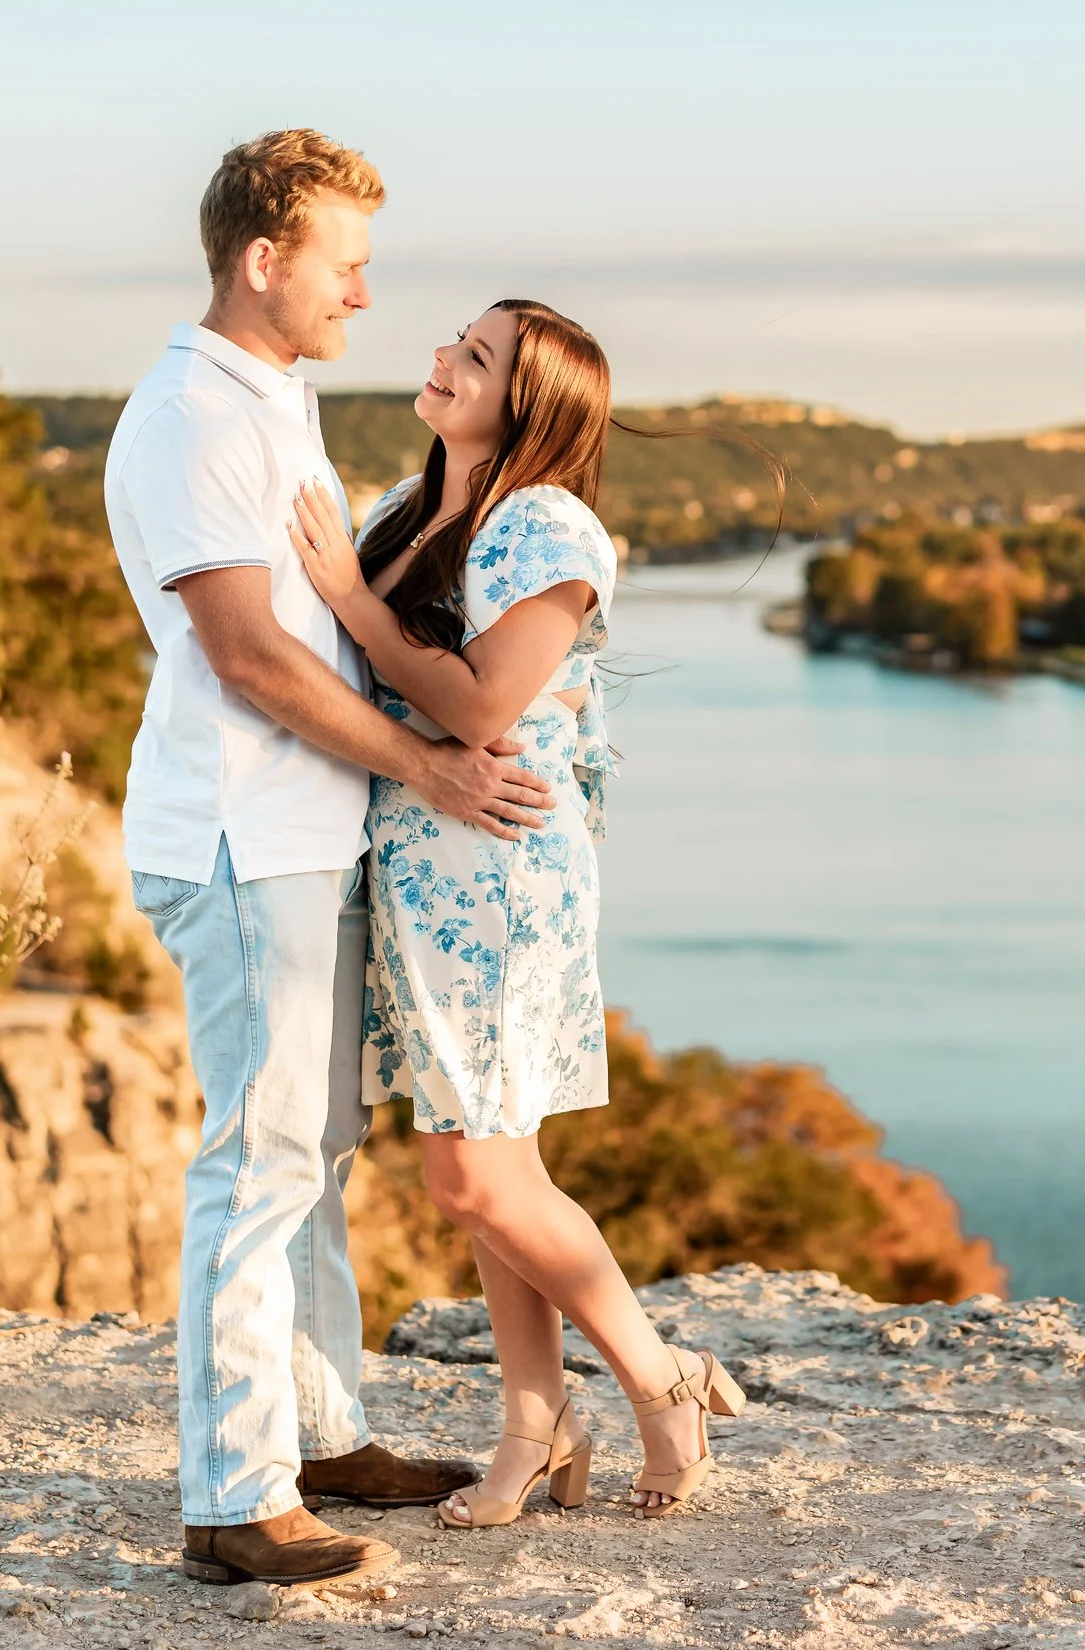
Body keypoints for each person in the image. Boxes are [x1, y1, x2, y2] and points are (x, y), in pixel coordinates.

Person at [107, 130, 557, 1589]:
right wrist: (434, 764)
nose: (365, 294)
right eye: (345, 264)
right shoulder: (196, 415)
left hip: (308, 834)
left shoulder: (274, 401)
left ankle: (318, 1433)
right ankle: (235, 1493)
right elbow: (244, 655)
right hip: (243, 841)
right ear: (264, 259)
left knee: (317, 1150)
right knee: (259, 1159)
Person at [284, 298, 744, 1529]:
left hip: (496, 879)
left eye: (475, 357)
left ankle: (660, 1379)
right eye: (456, 340)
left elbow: (485, 706)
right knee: (497, 1157)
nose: (442, 359)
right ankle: (532, 1428)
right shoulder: (399, 503)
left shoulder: (550, 527)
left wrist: (357, 602)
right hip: (413, 867)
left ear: (526, 406)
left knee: (472, 1176)